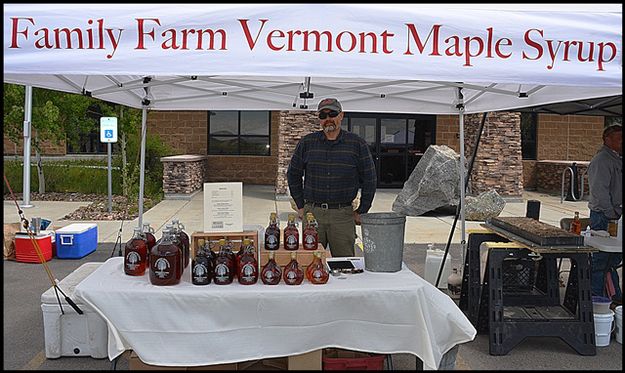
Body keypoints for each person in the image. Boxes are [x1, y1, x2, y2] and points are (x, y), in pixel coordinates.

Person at [287, 98, 376, 257]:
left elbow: (370, 179)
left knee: (345, 265)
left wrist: (362, 210)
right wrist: (301, 206)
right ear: (319, 119)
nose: (328, 118)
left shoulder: (357, 144)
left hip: (343, 215)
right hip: (312, 214)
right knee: (309, 262)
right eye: (323, 115)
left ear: (341, 115)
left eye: (332, 113)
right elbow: (293, 174)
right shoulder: (307, 143)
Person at [587, 124, 622, 303]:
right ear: (607, 140)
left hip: (615, 215)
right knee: (600, 261)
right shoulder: (602, 160)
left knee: (612, 261)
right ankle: (596, 299)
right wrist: (612, 214)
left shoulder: (616, 158)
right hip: (605, 216)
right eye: (619, 139)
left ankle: (612, 296)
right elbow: (599, 192)